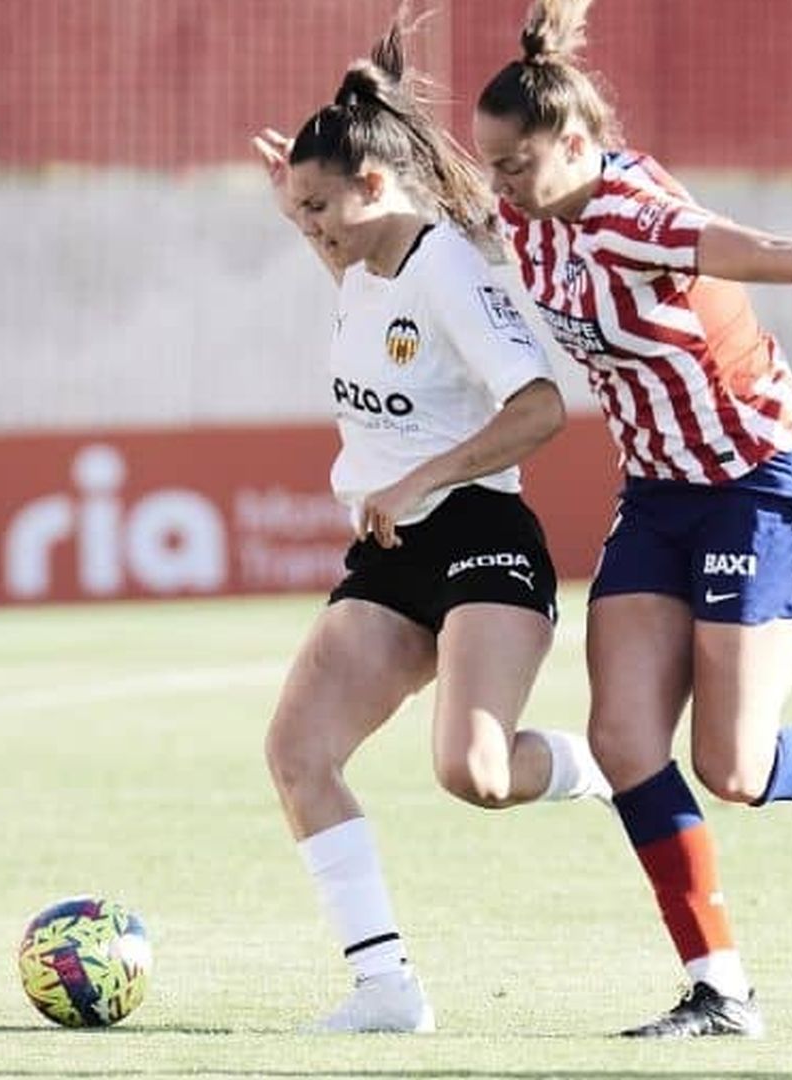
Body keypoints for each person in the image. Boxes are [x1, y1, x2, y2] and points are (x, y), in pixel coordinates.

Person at [468, 0, 792, 1038]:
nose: (501, 188)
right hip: (662, 496)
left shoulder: (632, 211)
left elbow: (753, 248)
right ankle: (721, 990)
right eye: (491, 166)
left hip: (764, 488)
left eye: (515, 166)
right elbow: (453, 200)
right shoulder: (531, 211)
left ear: (575, 144)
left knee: (735, 768)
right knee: (625, 740)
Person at [250, 8, 611, 1036]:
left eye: (321, 207)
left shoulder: (451, 268)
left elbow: (540, 408)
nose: (311, 227)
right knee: (297, 752)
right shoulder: (362, 260)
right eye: (300, 211)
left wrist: (424, 480)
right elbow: (354, 272)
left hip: (480, 538)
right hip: (391, 552)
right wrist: (296, 206)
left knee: (476, 776)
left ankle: (606, 772)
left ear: (375, 186)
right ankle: (385, 988)